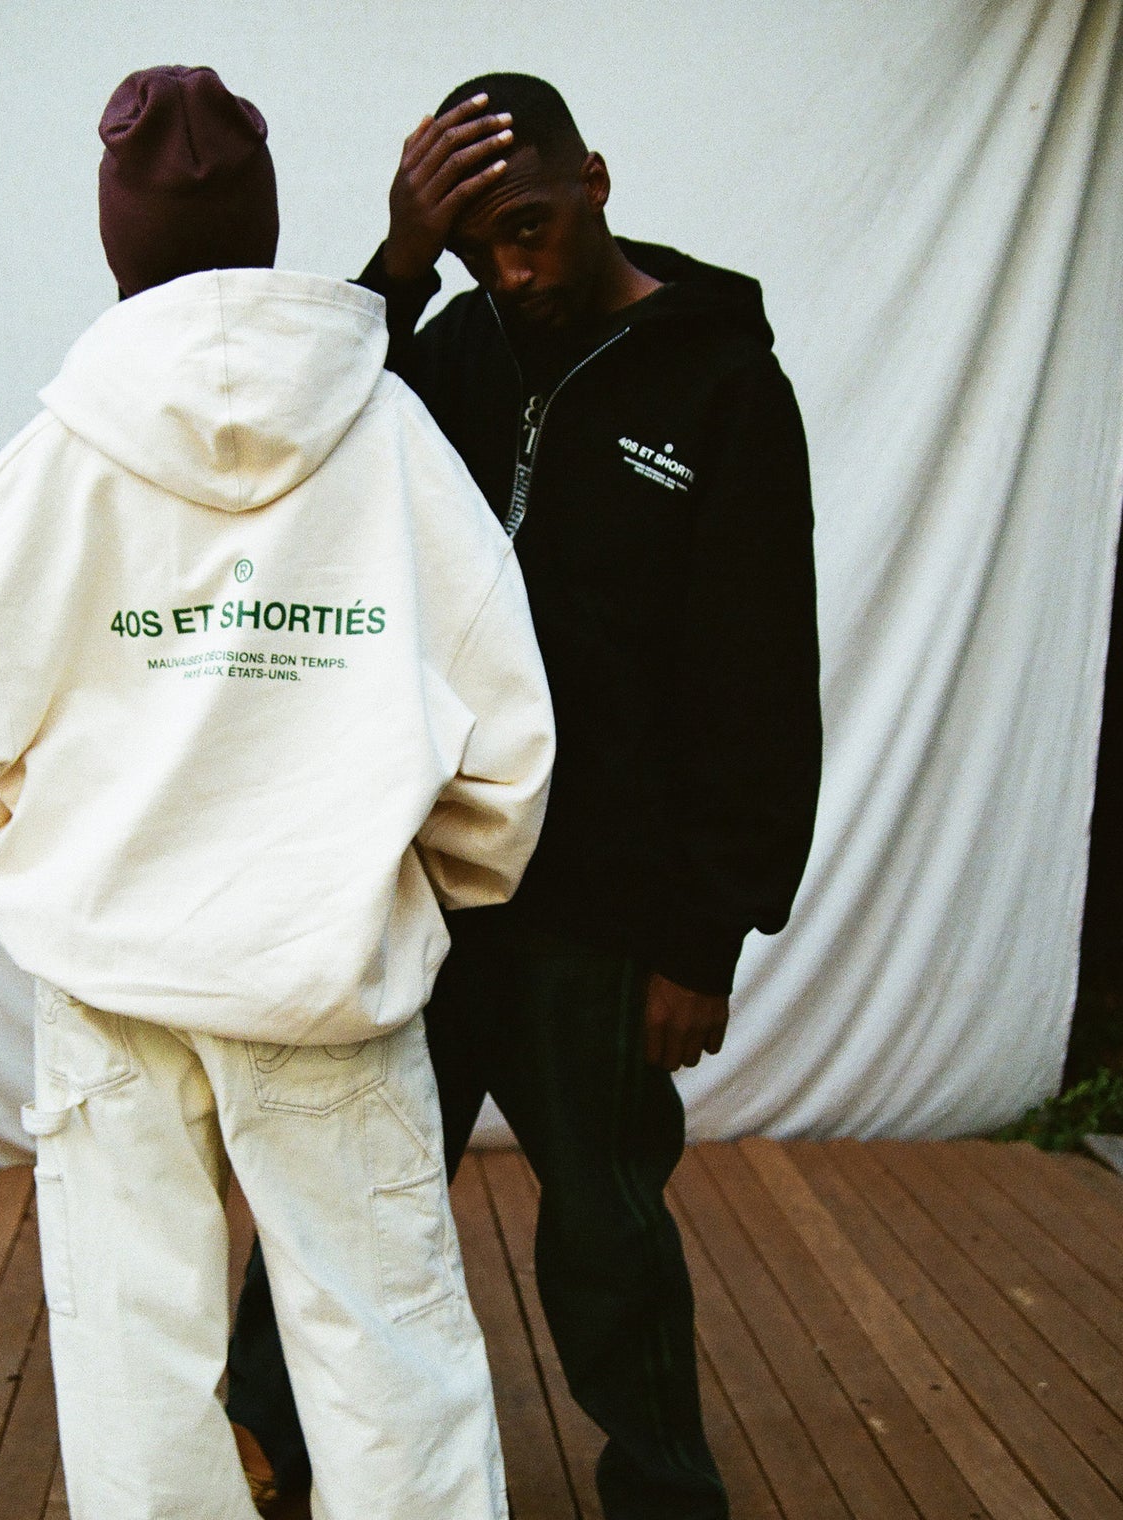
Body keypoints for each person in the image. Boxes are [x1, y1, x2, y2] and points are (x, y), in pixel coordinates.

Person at [0, 65, 556, 1520]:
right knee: (387, 1367)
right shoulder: (386, 440)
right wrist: (399, 877)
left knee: (135, 1370)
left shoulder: (59, 456)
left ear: (115, 242)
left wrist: (66, 866)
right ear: (261, 228)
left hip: (110, 976)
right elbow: (507, 749)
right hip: (325, 978)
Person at [227, 72, 822, 1520]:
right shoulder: (450, 351)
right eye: (481, 237)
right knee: (350, 1187)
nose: (514, 263)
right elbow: (302, 433)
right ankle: (268, 1440)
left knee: (607, 1232)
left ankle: (667, 1492)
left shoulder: (720, 380)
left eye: (534, 225)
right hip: (429, 884)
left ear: (599, 181)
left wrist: (707, 934)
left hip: (608, 911)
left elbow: (758, 669)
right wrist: (394, 258)